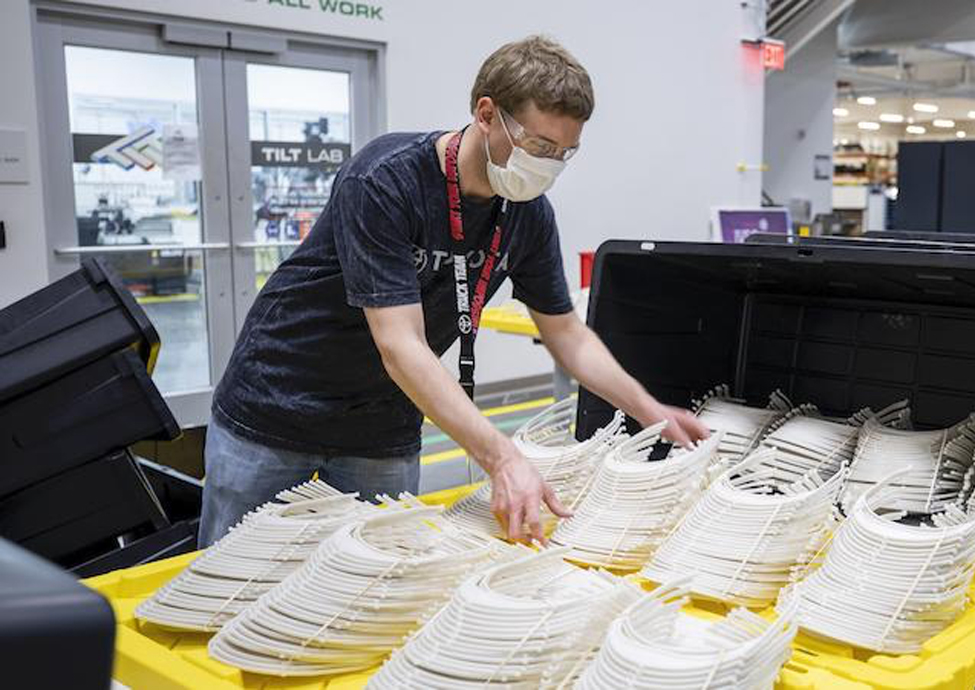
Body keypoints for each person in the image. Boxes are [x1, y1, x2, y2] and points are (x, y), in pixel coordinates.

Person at [199, 35, 709, 547]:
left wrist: (651, 412)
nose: (549, 164)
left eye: (563, 152)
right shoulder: (385, 179)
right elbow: (400, 344)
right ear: (487, 114)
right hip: (278, 405)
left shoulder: (528, 214)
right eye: (538, 146)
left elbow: (567, 335)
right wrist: (503, 458)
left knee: (377, 575)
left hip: (383, 426)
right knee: (234, 572)